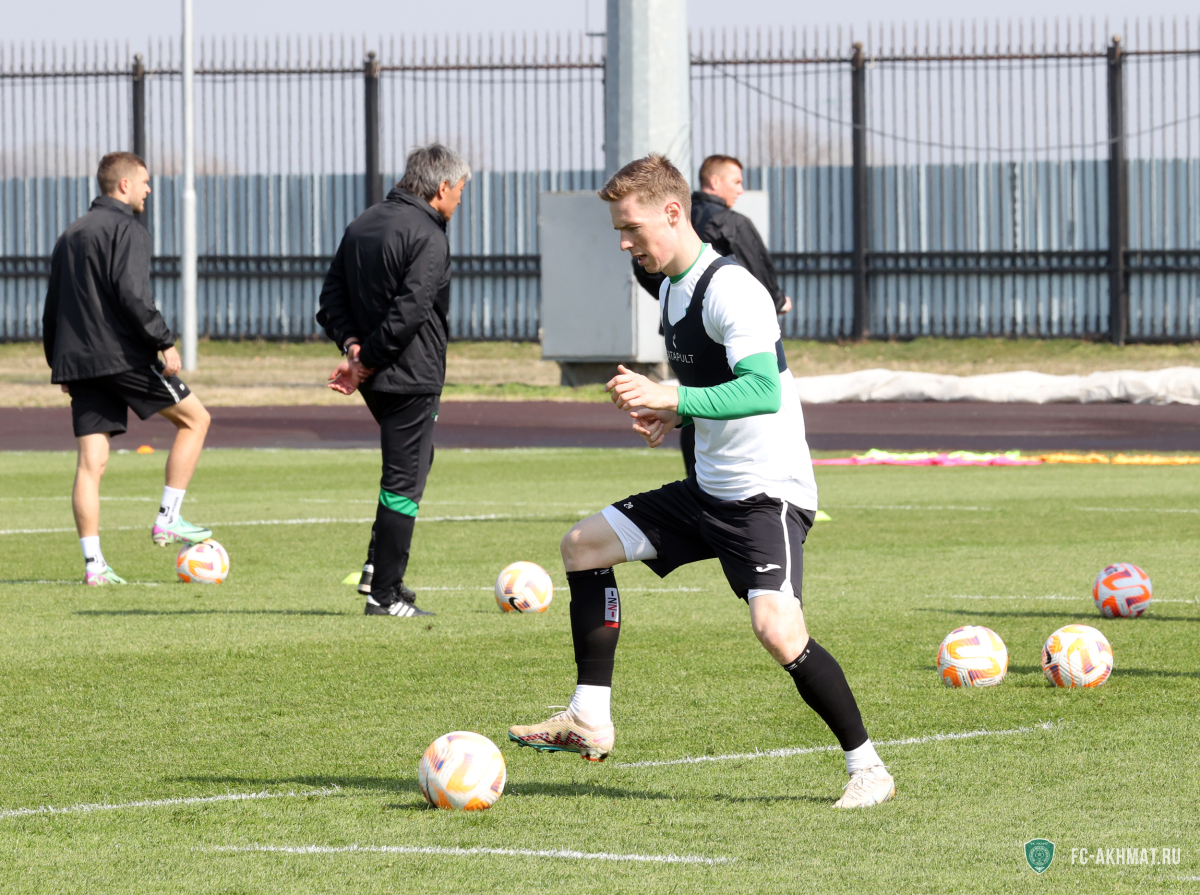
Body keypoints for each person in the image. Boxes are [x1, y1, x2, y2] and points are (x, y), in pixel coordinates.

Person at [508, 154, 894, 809]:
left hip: (766, 494)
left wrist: (673, 396)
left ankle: (869, 768)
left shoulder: (731, 289)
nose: (624, 243)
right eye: (618, 231)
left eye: (631, 228)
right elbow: (715, 386)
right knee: (582, 546)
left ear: (672, 212)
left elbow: (763, 390)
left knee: (777, 630)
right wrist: (673, 415)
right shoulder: (671, 288)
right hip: (708, 488)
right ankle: (589, 716)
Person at [43, 151, 213, 585]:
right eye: (145, 181)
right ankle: (169, 518)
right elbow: (133, 294)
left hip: (79, 362)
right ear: (124, 185)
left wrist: (59, 364)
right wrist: (164, 342)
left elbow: (52, 306)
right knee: (196, 420)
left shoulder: (70, 234)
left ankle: (94, 566)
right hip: (121, 356)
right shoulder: (128, 229)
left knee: (91, 464)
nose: (148, 190)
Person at [316, 143, 470, 618]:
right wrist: (366, 359)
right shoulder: (428, 233)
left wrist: (353, 348)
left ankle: (374, 568)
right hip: (410, 375)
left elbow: (330, 299)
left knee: (416, 463)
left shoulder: (363, 223)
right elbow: (411, 311)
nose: (460, 199)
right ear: (442, 187)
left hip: (378, 377)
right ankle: (385, 595)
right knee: (404, 479)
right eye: (460, 190)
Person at [632, 154, 792, 478]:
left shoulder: (679, 241)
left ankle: (708, 483)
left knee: (698, 398)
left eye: (631, 229)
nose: (741, 189)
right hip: (740, 472)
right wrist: (777, 301)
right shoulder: (730, 224)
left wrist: (683, 303)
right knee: (699, 402)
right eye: (737, 181)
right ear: (714, 182)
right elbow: (758, 275)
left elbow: (763, 392)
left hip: (757, 484)